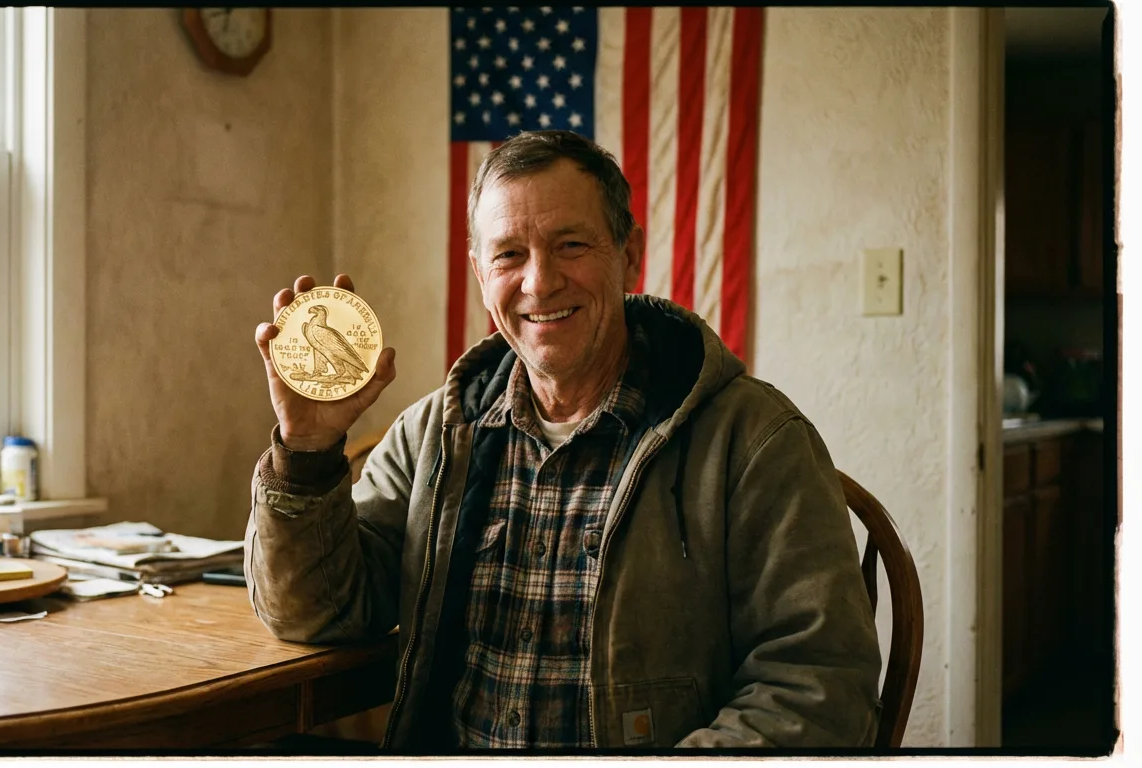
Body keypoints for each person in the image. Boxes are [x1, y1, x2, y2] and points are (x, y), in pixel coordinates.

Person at [246, 130, 882, 751]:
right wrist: (305, 450)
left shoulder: (756, 442)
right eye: (509, 255)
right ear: (479, 271)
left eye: (571, 244)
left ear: (630, 255)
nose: (540, 282)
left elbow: (819, 687)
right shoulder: (434, 434)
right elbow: (319, 614)